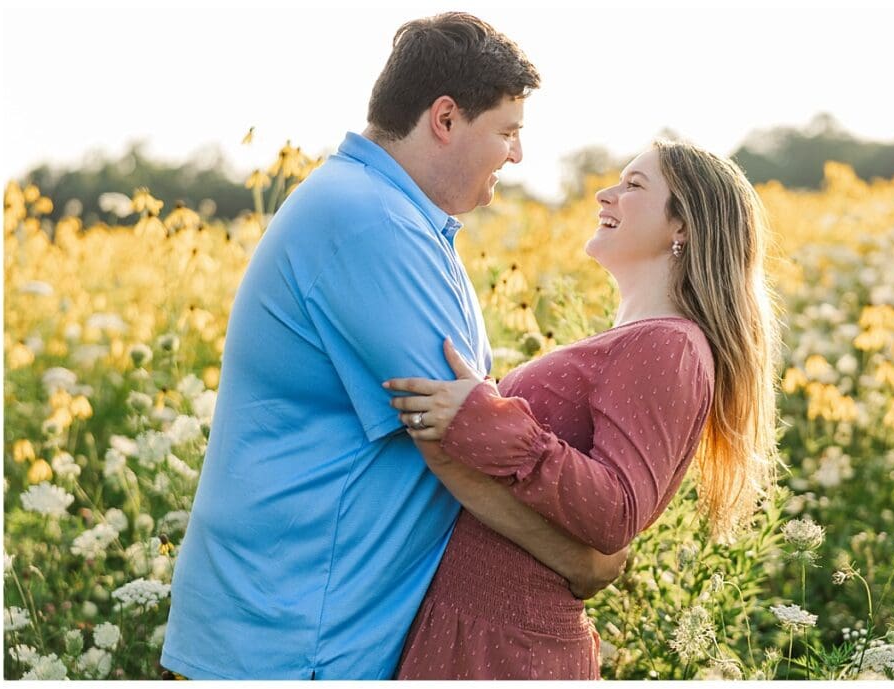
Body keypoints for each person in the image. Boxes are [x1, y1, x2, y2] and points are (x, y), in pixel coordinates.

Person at [160, 12, 626, 680]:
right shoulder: (369, 222)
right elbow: (454, 440)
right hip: (296, 637)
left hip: (302, 624)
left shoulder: (383, 209)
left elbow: (468, 414)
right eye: (508, 131)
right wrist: (584, 560)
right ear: (445, 118)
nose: (517, 155)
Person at [385, 140, 782, 679]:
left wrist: (486, 418)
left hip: (506, 645)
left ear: (682, 227)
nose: (605, 194)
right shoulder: (643, 340)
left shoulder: (669, 346)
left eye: (633, 186)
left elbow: (617, 510)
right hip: (480, 626)